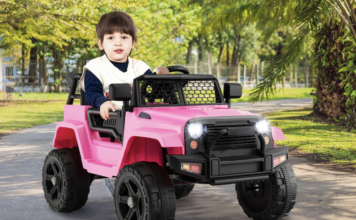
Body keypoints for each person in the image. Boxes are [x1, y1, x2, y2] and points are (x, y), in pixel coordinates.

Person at [79, 11, 169, 120]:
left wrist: (158, 75)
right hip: (109, 119)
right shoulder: (95, 67)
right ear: (100, 43)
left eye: (124, 37)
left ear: (133, 43)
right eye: (111, 38)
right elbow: (92, 93)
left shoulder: (139, 67)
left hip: (139, 116)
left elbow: (154, 88)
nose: (118, 43)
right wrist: (103, 102)